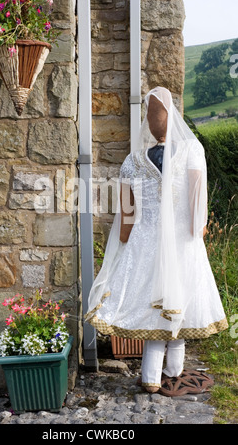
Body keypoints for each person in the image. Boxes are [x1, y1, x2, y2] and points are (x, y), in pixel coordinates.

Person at [85, 86, 228, 396]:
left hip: (144, 243)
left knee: (154, 307)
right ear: (173, 116)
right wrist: (198, 231)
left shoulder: (132, 161)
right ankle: (170, 371)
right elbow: (196, 200)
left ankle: (154, 375)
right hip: (182, 242)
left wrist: (124, 244)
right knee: (180, 303)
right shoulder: (192, 151)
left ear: (149, 122)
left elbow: (126, 216)